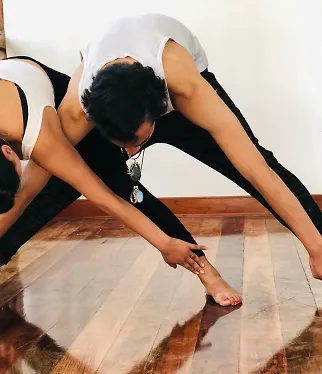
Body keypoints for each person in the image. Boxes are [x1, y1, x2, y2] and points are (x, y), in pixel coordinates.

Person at [0, 57, 242, 307]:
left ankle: (206, 272)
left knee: (123, 188)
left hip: (50, 91)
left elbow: (105, 200)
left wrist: (163, 244)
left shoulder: (43, 136)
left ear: (11, 153)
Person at [53, 13, 322, 278]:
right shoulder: (79, 107)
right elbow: (43, 165)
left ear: (159, 113)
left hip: (174, 79)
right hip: (117, 93)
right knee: (66, 174)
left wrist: (316, 248)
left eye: (138, 142)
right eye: (123, 145)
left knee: (253, 163)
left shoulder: (187, 89)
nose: (133, 153)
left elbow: (258, 170)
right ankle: (207, 274)